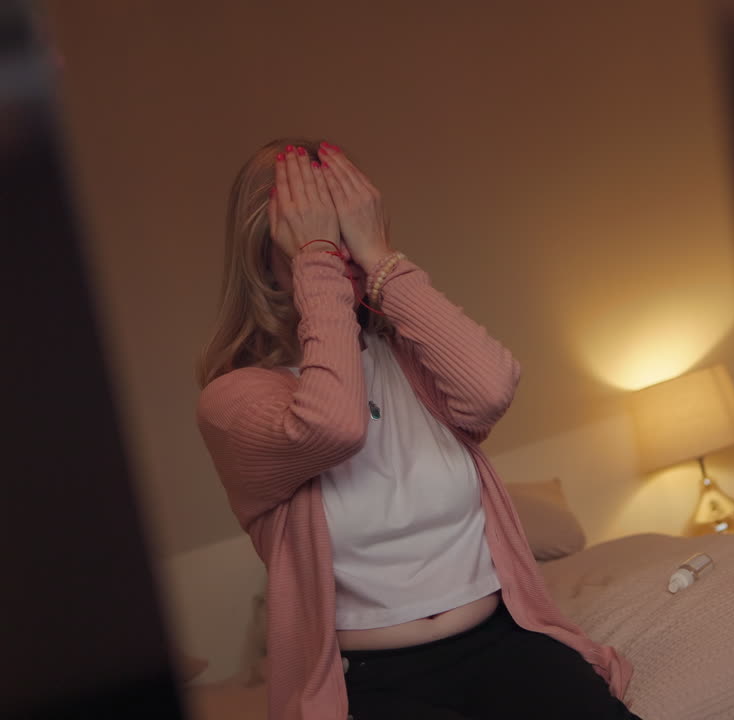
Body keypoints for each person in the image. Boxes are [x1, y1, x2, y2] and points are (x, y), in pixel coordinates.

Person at [196, 139, 637, 720]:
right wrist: (318, 259)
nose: (340, 254)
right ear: (266, 255)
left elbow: (492, 387)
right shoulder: (234, 400)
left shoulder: (411, 359)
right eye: (312, 234)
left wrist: (381, 257)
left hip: (507, 643)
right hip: (379, 684)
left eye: (348, 229)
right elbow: (334, 424)